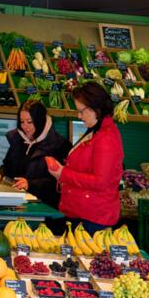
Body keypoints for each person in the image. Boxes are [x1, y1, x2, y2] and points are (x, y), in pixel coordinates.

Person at [46, 82, 124, 232]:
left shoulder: (106, 138)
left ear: (95, 109)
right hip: (82, 213)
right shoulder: (96, 131)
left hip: (92, 219)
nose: (79, 116)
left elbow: (100, 181)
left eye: (81, 111)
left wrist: (63, 173)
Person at [0, 99, 71, 209]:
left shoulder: (60, 145)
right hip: (18, 204)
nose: (25, 126)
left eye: (30, 122)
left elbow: (61, 181)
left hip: (46, 209)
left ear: (40, 120)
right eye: (22, 122)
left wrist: (30, 184)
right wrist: (0, 174)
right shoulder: (17, 139)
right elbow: (7, 165)